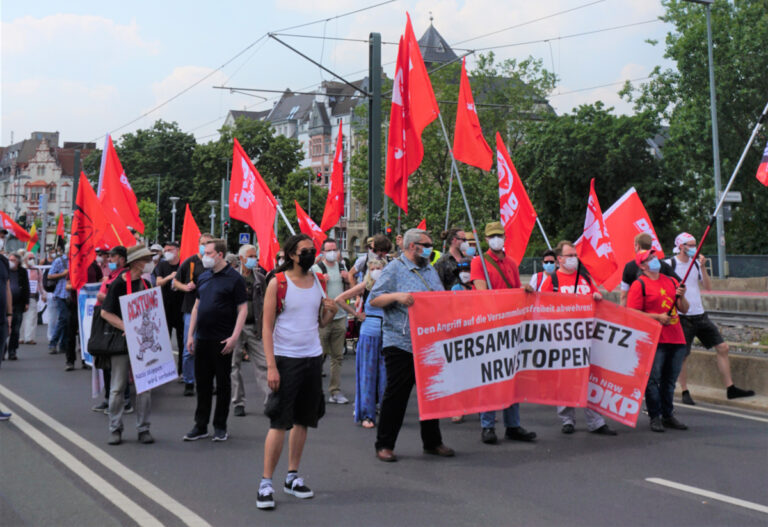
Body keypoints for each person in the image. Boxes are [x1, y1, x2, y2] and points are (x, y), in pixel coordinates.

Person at [257, 234, 337, 510]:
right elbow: (266, 327)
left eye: (312, 251)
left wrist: (330, 312)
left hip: (312, 358)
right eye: (305, 251)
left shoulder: (319, 281)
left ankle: (292, 476)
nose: (311, 255)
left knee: (304, 419)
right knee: (279, 421)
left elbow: (320, 323)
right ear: (291, 255)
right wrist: (271, 366)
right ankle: (266, 482)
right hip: (285, 359)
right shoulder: (277, 283)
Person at [369, 228, 454, 463]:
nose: (430, 248)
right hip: (401, 342)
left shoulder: (429, 270)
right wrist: (397, 296)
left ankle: (432, 442)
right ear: (412, 246)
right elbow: (374, 298)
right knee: (397, 395)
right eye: (426, 244)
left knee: (431, 394)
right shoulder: (395, 269)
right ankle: (384, 444)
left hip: (428, 341)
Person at [536, 241, 617, 436]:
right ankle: (567, 419)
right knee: (566, 379)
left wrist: (597, 296)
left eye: (575, 255)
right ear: (560, 259)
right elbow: (542, 309)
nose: (573, 258)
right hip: (563, 339)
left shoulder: (584, 279)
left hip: (587, 338)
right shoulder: (552, 281)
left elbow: (597, 299)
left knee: (591, 379)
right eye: (569, 255)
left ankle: (596, 421)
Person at [471, 221, 537, 445]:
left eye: (500, 235)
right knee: (490, 376)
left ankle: (513, 425)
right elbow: (481, 291)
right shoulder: (478, 262)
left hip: (511, 326)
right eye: (493, 236)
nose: (497, 238)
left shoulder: (511, 263)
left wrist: (524, 291)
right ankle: (487, 426)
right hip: (490, 326)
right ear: (487, 240)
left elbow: (517, 291)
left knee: (512, 376)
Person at [667, 233, 754, 403]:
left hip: (700, 314)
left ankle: (730, 387)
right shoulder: (670, 264)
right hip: (682, 317)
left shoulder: (696, 265)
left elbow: (707, 287)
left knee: (722, 347)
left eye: (695, 245)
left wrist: (703, 268)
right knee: (683, 355)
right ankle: (684, 391)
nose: (694, 248)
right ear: (681, 246)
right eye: (690, 245)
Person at [183, 239, 247, 442]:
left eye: (209, 253)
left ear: (220, 255)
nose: (205, 256)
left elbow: (242, 309)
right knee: (202, 384)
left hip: (222, 340)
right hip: (202, 338)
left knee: (223, 384)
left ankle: (220, 425)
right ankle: (200, 425)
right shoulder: (203, 277)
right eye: (204, 252)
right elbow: (196, 307)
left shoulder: (234, 279)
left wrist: (234, 337)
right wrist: (190, 335)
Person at [627, 249, 690, 433]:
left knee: (670, 380)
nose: (655, 260)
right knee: (653, 379)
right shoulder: (640, 285)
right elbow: (631, 313)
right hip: (654, 339)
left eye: (655, 257)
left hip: (676, 337)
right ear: (643, 265)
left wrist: (682, 295)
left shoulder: (671, 281)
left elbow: (684, 309)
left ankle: (668, 414)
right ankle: (655, 416)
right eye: (650, 258)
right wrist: (656, 317)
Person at [100, 245, 156, 445]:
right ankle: (115, 428)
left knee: (145, 387)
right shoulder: (117, 285)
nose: (149, 263)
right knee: (117, 387)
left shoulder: (147, 285)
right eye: (146, 259)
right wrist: (127, 326)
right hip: (122, 342)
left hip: (143, 342)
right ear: (137, 263)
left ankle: (144, 428)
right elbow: (105, 312)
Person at [335, 257, 386, 428]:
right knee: (368, 375)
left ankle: (384, 410)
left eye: (379, 267)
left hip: (388, 335)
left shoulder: (390, 287)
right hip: (369, 333)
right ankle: (366, 414)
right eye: (373, 267)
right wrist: (357, 315)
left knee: (386, 377)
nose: (376, 270)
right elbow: (340, 299)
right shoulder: (365, 286)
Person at [230, 243, 269, 417]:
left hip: (255, 326)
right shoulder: (231, 277)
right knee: (234, 364)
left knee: (263, 364)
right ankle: (238, 402)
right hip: (235, 327)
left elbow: (266, 302)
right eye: (251, 256)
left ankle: (270, 401)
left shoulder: (260, 278)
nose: (254, 259)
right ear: (242, 259)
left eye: (255, 256)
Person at [92, 246, 131, 413]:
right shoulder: (111, 276)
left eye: (112, 256)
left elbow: (106, 297)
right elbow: (100, 295)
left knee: (120, 365)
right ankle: (109, 398)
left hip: (118, 322)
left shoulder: (124, 278)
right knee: (105, 362)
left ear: (122, 259)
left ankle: (125, 400)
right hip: (105, 321)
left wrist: (107, 296)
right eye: (108, 256)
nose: (109, 259)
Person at [173, 232, 214, 396]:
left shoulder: (214, 263)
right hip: (191, 309)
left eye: (209, 243)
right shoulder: (190, 262)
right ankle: (189, 381)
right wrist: (185, 287)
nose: (205, 246)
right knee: (189, 346)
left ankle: (208, 382)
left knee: (210, 348)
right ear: (199, 244)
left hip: (211, 310)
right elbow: (175, 281)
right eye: (203, 243)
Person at [312, 238, 351, 404]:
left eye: (335, 249)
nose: (333, 252)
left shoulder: (342, 267)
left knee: (338, 356)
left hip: (340, 316)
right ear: (322, 252)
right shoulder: (316, 269)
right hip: (323, 318)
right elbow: (311, 292)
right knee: (318, 356)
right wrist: (322, 282)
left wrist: (348, 279)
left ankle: (335, 391)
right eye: (329, 250)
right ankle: (314, 391)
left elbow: (348, 291)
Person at [619, 233, 678, 307]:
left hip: (639, 310)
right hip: (662, 307)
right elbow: (678, 285)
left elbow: (624, 295)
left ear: (637, 246)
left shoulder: (629, 266)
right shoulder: (662, 264)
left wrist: (623, 314)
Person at [153, 241, 184, 376]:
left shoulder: (184, 263)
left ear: (177, 250)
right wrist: (170, 277)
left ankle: (182, 371)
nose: (167, 252)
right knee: (164, 343)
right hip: (165, 308)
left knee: (182, 342)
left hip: (182, 308)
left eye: (170, 250)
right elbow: (158, 282)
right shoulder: (162, 264)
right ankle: (164, 372)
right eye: (165, 250)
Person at [5, 253, 29, 361]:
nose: (11, 262)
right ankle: (3, 350)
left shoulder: (22, 272)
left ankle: (12, 351)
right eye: (9, 259)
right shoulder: (4, 270)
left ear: (18, 262)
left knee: (15, 329)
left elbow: (26, 287)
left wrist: (26, 302)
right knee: (4, 329)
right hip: (5, 305)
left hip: (18, 304)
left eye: (13, 260)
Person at [47, 247, 70, 356]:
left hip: (73, 294)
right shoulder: (59, 261)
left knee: (68, 320)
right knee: (63, 318)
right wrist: (63, 274)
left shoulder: (77, 261)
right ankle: (53, 343)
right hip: (61, 293)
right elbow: (50, 275)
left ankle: (63, 344)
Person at [21, 252, 43, 345]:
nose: (32, 260)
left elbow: (40, 283)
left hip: (32, 296)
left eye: (33, 258)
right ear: (25, 259)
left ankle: (29, 337)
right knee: (21, 318)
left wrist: (43, 294)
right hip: (21, 297)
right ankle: (20, 337)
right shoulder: (21, 270)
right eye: (30, 258)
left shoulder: (37, 270)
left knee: (32, 317)